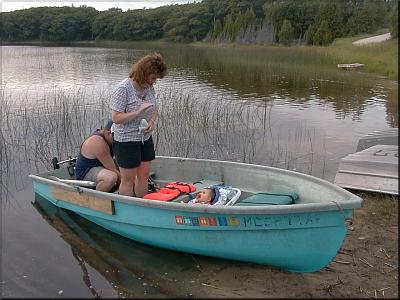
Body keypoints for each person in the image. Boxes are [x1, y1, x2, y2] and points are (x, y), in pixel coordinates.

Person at [110, 53, 167, 197]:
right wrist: (137, 112)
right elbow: (116, 118)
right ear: (144, 73)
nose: (154, 82)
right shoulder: (123, 89)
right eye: (153, 78)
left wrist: (151, 122)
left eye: (156, 79)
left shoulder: (148, 87)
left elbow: (154, 108)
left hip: (145, 137)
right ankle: (126, 209)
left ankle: (142, 204)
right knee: (128, 179)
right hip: (126, 140)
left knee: (144, 175)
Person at [75, 120, 121, 192]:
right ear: (108, 132)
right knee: (111, 177)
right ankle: (97, 199)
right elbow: (112, 169)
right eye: (117, 137)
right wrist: (126, 185)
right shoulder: (98, 142)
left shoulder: (111, 139)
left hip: (102, 167)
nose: (119, 140)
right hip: (86, 172)